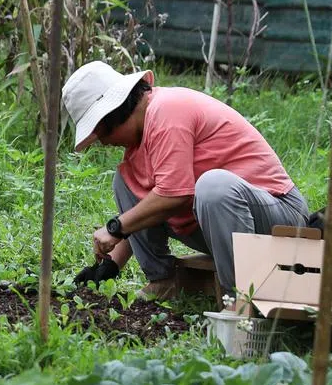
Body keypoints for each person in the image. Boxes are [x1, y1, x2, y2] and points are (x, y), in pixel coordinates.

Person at [61, 60, 309, 301]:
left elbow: (174, 195)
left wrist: (116, 227)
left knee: (214, 187)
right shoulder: (143, 136)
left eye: (102, 132)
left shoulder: (167, 110)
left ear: (117, 112)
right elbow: (145, 210)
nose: (103, 142)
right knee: (125, 182)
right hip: (223, 225)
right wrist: (111, 265)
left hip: (279, 218)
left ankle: (238, 302)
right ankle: (163, 282)